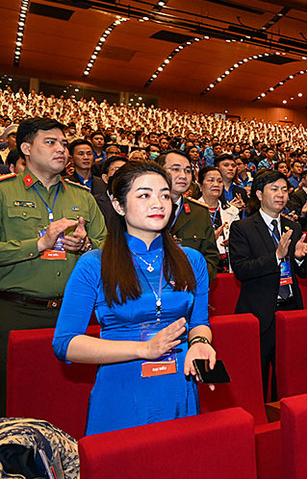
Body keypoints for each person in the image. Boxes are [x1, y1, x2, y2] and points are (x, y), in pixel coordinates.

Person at [52, 161, 214, 436]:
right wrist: (143, 350)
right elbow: (66, 344)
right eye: (144, 195)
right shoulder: (94, 264)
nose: (159, 203)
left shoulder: (192, 260)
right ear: (118, 205)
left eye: (165, 195)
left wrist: (200, 343)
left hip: (177, 386)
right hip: (122, 388)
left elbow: (199, 322)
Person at [0, 117, 107, 415]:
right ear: (26, 148)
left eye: (63, 143)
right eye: (50, 142)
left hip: (73, 313)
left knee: (67, 399)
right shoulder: (4, 193)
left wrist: (87, 247)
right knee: (11, 398)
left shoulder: (82, 197)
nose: (61, 149)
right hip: (15, 312)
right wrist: (39, 244)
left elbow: (110, 250)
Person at [229, 171, 307, 400]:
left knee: (288, 377)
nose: (281, 195)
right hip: (260, 313)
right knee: (258, 378)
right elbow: (241, 270)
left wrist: (298, 258)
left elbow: (305, 274)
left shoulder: (292, 227)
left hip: (290, 310)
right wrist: (276, 256)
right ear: (259, 193)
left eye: (284, 190)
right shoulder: (243, 228)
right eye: (274, 189)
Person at [157, 150, 218, 284]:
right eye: (176, 169)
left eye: (188, 171)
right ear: (158, 172)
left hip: (189, 292)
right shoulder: (142, 208)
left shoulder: (199, 213)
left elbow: (211, 258)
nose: (183, 176)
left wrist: (192, 280)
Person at [197, 166, 239, 273]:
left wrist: (234, 241)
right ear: (200, 186)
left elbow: (240, 240)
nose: (216, 184)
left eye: (219, 181)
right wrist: (209, 240)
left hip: (228, 265)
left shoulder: (232, 211)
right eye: (211, 180)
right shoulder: (191, 212)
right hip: (202, 266)